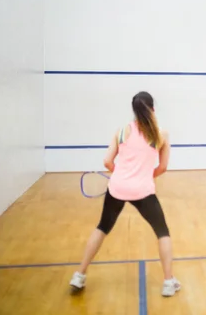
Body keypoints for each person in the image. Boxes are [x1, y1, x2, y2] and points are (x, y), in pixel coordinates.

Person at [69, 91, 181, 297]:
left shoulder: (121, 131)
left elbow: (107, 161)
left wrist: (121, 175)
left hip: (117, 188)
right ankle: (168, 282)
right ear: (153, 110)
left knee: (102, 228)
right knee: (162, 232)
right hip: (143, 191)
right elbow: (163, 167)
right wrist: (145, 176)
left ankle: (79, 275)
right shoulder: (161, 135)